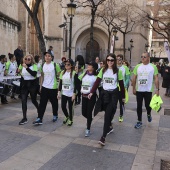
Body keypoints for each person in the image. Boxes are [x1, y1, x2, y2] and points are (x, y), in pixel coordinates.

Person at [88, 53, 125, 146]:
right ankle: (109, 126)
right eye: (108, 60)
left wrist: (123, 97)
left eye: (112, 60)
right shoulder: (103, 70)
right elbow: (97, 82)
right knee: (107, 113)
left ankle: (103, 137)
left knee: (108, 114)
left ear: (114, 61)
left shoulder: (118, 71)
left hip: (113, 95)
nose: (110, 62)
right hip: (104, 95)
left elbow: (121, 85)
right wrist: (92, 92)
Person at [132, 52, 159, 129]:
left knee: (148, 105)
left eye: (144, 57)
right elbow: (134, 78)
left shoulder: (153, 67)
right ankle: (139, 121)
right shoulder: (137, 66)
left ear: (148, 58)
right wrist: (133, 88)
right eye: (142, 57)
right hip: (139, 90)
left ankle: (148, 114)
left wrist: (157, 89)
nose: (142, 58)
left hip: (148, 90)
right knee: (139, 106)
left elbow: (156, 78)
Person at [33, 52, 61, 125]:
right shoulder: (42, 65)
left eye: (49, 56)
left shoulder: (55, 65)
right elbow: (42, 76)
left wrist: (59, 87)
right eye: (46, 56)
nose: (47, 57)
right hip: (45, 87)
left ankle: (55, 114)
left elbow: (59, 75)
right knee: (42, 103)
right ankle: (39, 118)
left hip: (53, 87)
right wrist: (41, 86)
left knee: (54, 103)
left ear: (51, 57)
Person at [78, 61, 98, 137]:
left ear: (93, 68)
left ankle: (88, 129)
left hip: (91, 97)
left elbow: (98, 87)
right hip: (84, 96)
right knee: (83, 113)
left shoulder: (95, 77)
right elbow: (78, 80)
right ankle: (89, 119)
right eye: (88, 64)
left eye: (90, 65)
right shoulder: (84, 74)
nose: (88, 66)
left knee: (89, 112)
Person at [18, 54, 39, 125]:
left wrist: (26, 67)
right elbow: (20, 73)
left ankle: (39, 110)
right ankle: (24, 118)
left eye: (29, 59)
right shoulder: (21, 65)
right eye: (26, 59)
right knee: (23, 101)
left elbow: (34, 74)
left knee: (33, 100)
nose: (27, 60)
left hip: (32, 84)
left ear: (31, 60)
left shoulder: (34, 66)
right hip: (24, 85)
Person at [58, 59, 77, 126]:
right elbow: (60, 83)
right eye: (65, 64)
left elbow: (76, 85)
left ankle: (71, 120)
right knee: (63, 106)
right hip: (64, 93)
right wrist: (59, 92)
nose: (66, 65)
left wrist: (74, 94)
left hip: (71, 93)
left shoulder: (74, 73)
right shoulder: (62, 72)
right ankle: (67, 116)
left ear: (71, 65)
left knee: (70, 107)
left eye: (68, 64)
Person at [116, 54, 130, 122]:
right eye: (117, 59)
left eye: (120, 59)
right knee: (113, 103)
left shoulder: (125, 68)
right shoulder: (113, 67)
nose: (118, 61)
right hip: (115, 88)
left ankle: (121, 115)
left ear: (122, 60)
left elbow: (127, 78)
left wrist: (125, 85)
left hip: (122, 88)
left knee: (121, 103)